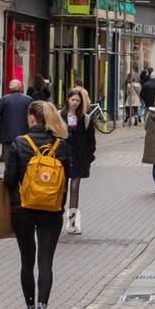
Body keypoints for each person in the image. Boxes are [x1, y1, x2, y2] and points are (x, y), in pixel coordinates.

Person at [4, 99, 70, 309]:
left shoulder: (20, 143)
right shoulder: (62, 146)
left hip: (23, 209)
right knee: (45, 261)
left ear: (32, 118)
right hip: (51, 211)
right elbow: (66, 181)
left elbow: (9, 179)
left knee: (27, 260)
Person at [61, 86, 96, 234]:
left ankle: (72, 223)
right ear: (67, 100)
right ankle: (54, 221)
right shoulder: (59, 116)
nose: (74, 102)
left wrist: (88, 157)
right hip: (61, 158)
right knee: (60, 190)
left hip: (78, 158)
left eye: (77, 100)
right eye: (72, 99)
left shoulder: (85, 119)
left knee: (74, 189)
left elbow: (91, 141)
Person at [0, 79, 32, 161]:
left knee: (8, 159)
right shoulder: (28, 99)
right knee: (23, 158)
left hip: (7, 133)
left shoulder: (4, 99)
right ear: (20, 87)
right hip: (24, 133)